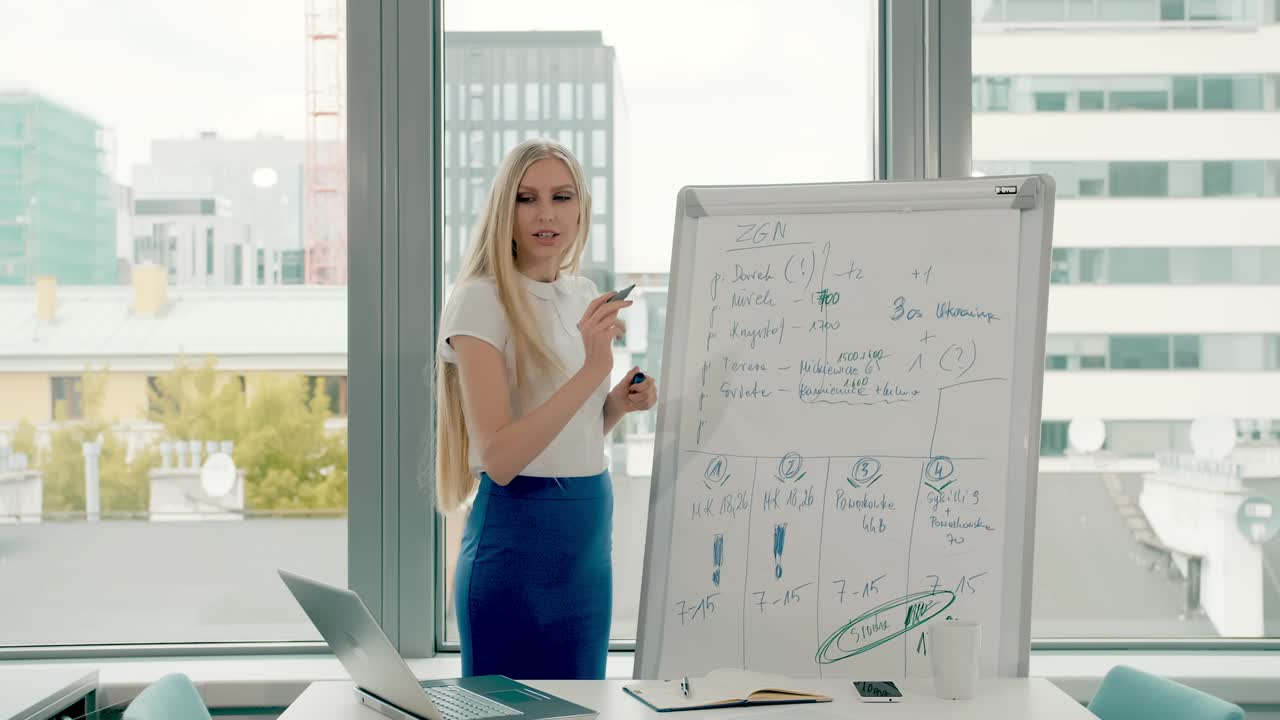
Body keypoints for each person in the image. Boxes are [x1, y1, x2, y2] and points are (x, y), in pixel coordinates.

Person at [435, 139, 658, 680]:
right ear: (503, 211)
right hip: (516, 546)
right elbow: (501, 458)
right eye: (526, 198)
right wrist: (592, 369)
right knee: (505, 712)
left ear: (581, 209)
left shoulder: (582, 293)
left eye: (561, 197)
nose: (545, 214)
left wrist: (615, 404)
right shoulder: (479, 300)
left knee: (583, 708)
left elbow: (569, 435)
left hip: (587, 544)